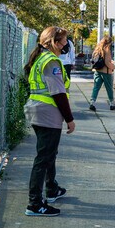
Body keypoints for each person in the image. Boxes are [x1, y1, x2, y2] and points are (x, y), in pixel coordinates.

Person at [23, 26, 75, 217]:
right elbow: (59, 93)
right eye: (64, 41)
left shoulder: (40, 57)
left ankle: (51, 189)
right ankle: (34, 203)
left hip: (37, 110)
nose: (65, 45)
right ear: (54, 42)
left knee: (48, 153)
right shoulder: (51, 62)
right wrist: (70, 119)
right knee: (44, 158)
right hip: (47, 113)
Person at [89, 35, 115, 111]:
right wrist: (114, 67)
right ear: (109, 43)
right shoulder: (106, 50)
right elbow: (107, 63)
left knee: (96, 88)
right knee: (109, 88)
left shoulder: (97, 49)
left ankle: (92, 102)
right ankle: (112, 104)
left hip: (97, 71)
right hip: (106, 72)